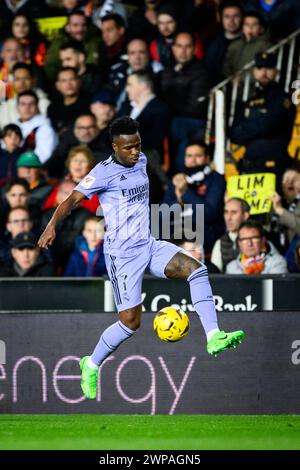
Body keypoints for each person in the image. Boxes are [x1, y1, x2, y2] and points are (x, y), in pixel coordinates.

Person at [38, 116, 245, 400]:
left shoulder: (143, 160)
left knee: (196, 270)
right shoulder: (103, 172)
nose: (136, 152)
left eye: (138, 145)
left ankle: (213, 337)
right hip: (122, 256)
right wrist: (51, 226)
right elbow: (72, 200)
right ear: (114, 147)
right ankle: (92, 363)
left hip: (148, 244)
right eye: (129, 148)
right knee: (130, 323)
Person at [230, 52, 296, 177]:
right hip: (250, 165)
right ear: (254, 72)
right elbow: (234, 134)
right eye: (260, 68)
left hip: (275, 163)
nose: (264, 71)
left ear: (276, 71)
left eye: (269, 67)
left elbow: (267, 125)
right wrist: (259, 126)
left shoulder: (284, 99)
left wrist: (247, 128)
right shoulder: (248, 102)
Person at [211, 198, 250, 272]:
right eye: (226, 212)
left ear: (245, 215)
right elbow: (215, 275)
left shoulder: (255, 241)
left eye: (234, 212)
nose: (228, 218)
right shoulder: (219, 243)